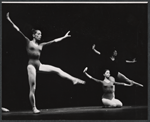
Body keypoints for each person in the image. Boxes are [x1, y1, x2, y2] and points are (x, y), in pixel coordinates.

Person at [6, 12, 85, 113]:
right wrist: (9, 20)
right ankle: (34, 107)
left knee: (57, 69)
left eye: (41, 34)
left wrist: (64, 37)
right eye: (38, 34)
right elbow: (18, 30)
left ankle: (73, 79)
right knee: (33, 86)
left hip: (39, 65)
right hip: (31, 66)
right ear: (33, 35)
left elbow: (54, 41)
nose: (40, 35)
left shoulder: (41, 45)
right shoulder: (28, 41)